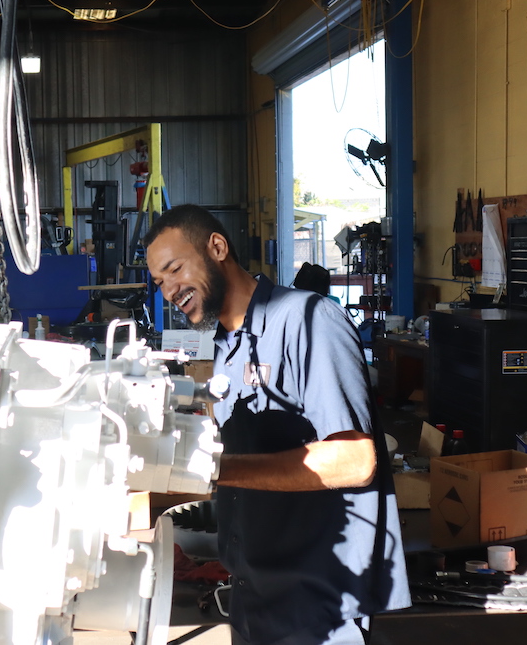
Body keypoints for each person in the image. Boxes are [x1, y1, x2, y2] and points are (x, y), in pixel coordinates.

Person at [144, 205, 410, 645]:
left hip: (319, 604)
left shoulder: (307, 320)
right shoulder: (228, 349)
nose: (170, 289)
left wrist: (215, 469)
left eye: (174, 269)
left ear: (216, 246)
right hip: (254, 599)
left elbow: (356, 459)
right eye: (160, 281)